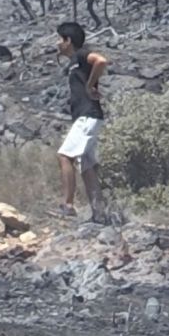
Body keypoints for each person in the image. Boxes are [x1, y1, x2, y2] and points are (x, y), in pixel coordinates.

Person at [55, 21, 110, 221]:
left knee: (64, 156)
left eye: (60, 39)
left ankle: (67, 205)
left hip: (88, 115)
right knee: (87, 166)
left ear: (68, 41)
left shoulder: (81, 55)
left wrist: (89, 86)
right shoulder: (74, 63)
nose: (58, 43)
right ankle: (100, 214)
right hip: (88, 116)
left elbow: (101, 61)